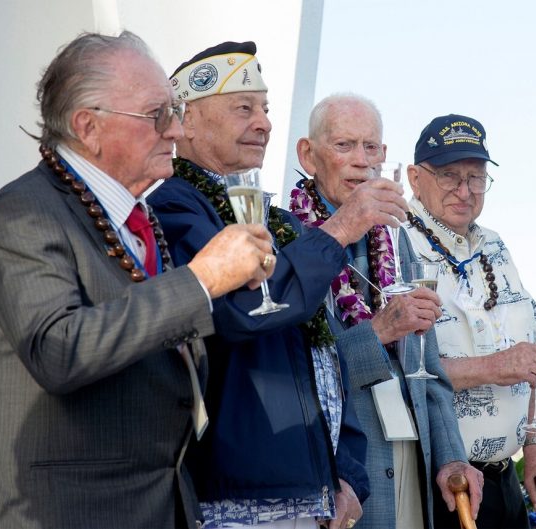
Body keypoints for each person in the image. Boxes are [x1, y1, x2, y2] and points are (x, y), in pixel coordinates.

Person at [0, 31, 274, 529]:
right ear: (89, 126)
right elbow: (58, 349)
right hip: (64, 513)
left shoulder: (135, 216)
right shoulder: (26, 212)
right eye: (158, 114)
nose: (175, 130)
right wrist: (202, 281)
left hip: (158, 505)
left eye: (176, 112)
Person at [149, 42, 408, 529]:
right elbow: (240, 313)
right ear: (188, 121)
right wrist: (341, 229)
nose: (265, 122)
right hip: (233, 502)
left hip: (312, 496)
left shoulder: (280, 222)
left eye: (265, 109)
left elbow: (323, 353)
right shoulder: (172, 208)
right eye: (244, 108)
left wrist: (349, 473)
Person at [290, 93, 483, 529]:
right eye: (344, 146)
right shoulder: (288, 242)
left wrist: (452, 457)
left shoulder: (397, 244)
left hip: (413, 462)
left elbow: (429, 370)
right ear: (309, 154)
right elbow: (297, 373)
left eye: (371, 147)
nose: (361, 161)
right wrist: (375, 333)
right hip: (343, 475)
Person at [402, 113, 536, 529]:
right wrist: (492, 368)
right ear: (414, 177)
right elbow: (396, 371)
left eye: (476, 178)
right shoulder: (391, 242)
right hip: (436, 486)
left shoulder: (495, 245)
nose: (464, 191)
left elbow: (535, 357)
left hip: (503, 483)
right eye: (448, 176)